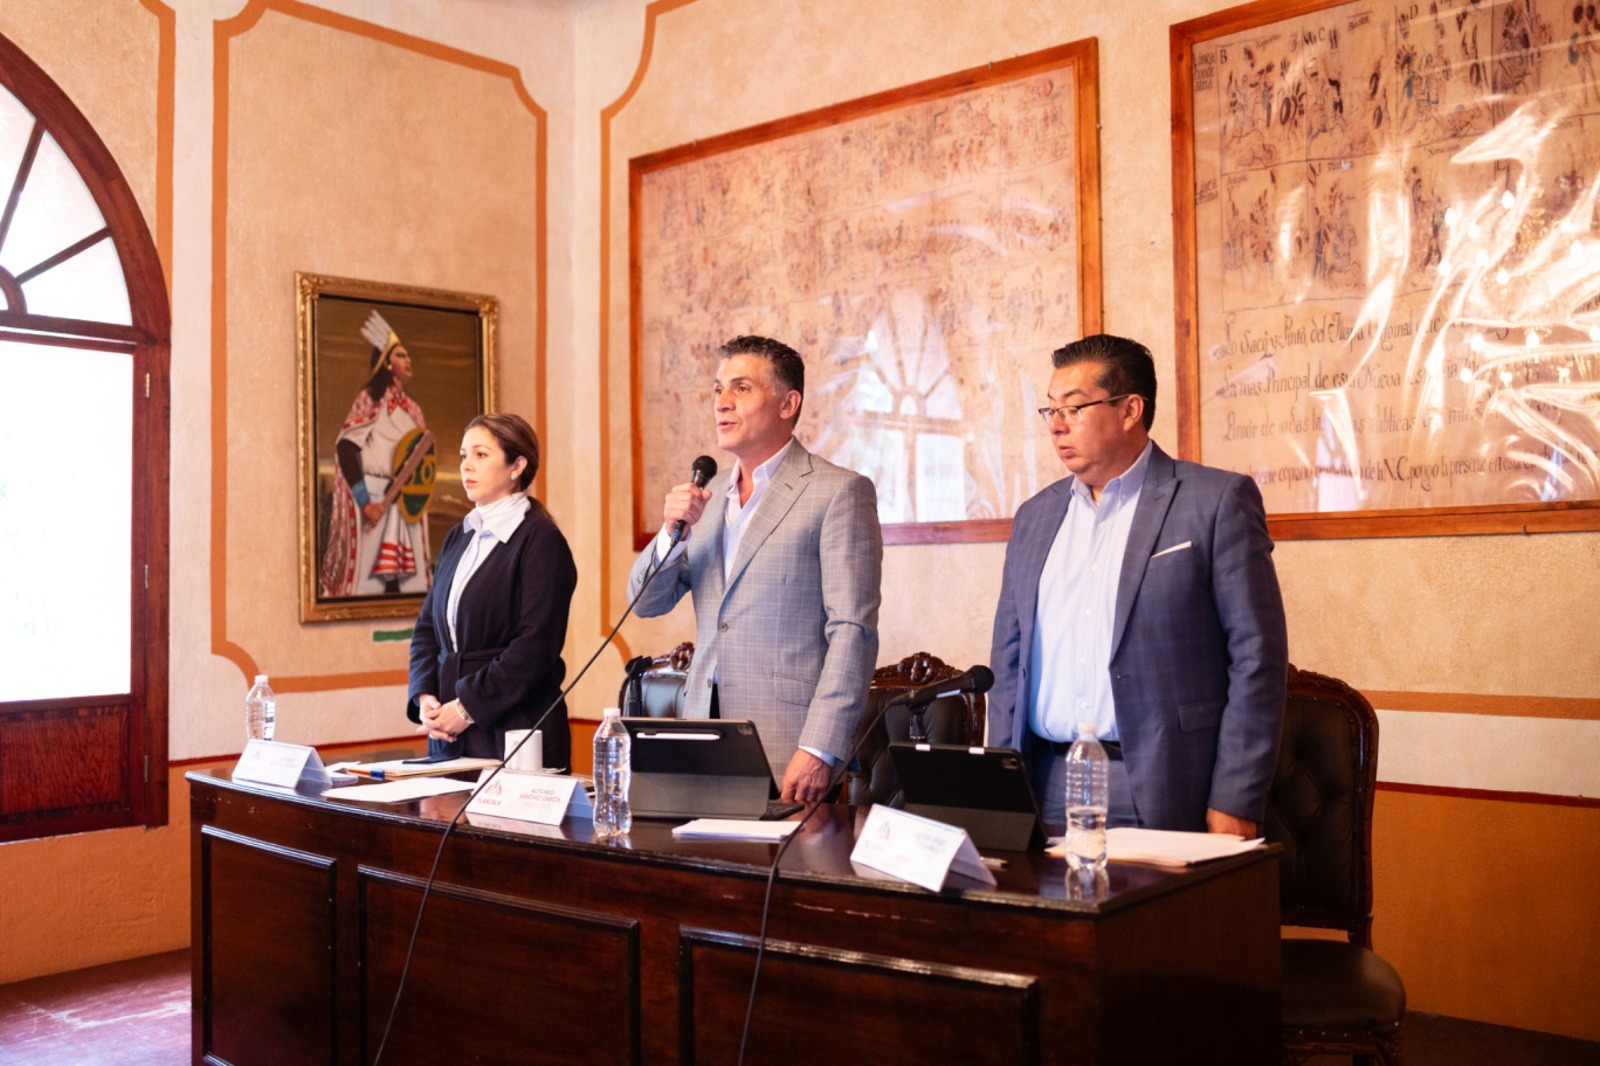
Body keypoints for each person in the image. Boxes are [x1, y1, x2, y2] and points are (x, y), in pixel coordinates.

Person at [988, 334, 1287, 834]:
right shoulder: (1034, 517)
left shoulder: (1215, 501)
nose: (1057, 425)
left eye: (1074, 408)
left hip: (1161, 780)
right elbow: (1008, 658)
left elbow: (1257, 657)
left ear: (1130, 409)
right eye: (1050, 410)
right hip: (1043, 780)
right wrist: (1001, 787)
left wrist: (1237, 798)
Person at [627, 335, 883, 804]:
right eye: (718, 389)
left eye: (741, 388)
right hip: (703, 737)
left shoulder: (838, 492)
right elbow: (645, 603)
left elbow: (852, 631)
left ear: (788, 403)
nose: (722, 403)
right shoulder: (706, 497)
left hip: (788, 746)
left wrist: (819, 747)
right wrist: (668, 533)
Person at [408, 413, 577, 768]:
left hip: (517, 730)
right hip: (448, 732)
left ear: (517, 466)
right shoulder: (458, 536)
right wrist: (425, 697)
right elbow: (427, 629)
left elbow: (536, 647)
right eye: (463, 455)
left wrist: (467, 708)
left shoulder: (541, 541)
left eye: (481, 455)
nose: (466, 465)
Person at [320, 310, 433, 597]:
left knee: (410, 587)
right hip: (374, 501)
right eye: (401, 355)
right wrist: (365, 502)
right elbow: (346, 448)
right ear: (386, 363)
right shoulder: (370, 400)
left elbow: (422, 461)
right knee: (368, 587)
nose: (408, 359)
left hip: (406, 503)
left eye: (407, 355)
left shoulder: (413, 410)